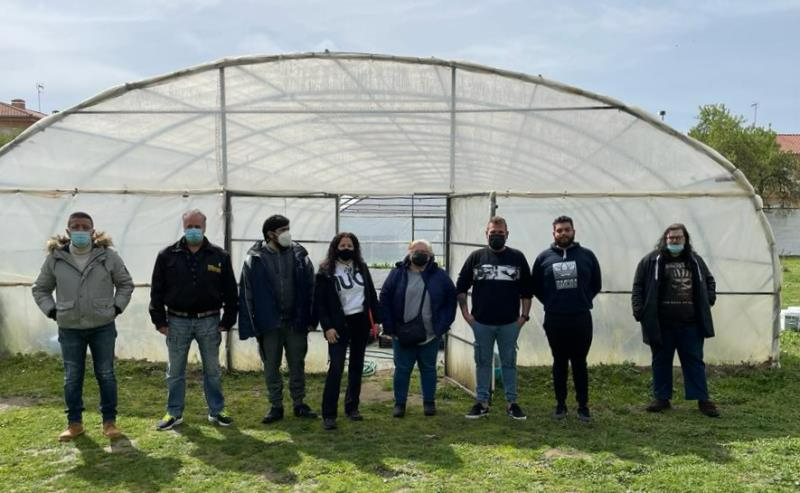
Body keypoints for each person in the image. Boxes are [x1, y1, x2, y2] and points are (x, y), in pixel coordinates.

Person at [32, 212, 134, 441]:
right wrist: (52, 310)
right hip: (70, 328)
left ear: (92, 230)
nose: (80, 230)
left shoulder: (108, 257)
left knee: (106, 374)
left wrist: (115, 308)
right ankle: (74, 424)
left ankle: (109, 423)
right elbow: (40, 288)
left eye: (85, 226)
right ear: (68, 231)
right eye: (75, 227)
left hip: (103, 326)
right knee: (72, 376)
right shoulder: (56, 259)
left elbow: (125, 284)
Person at [150, 209, 238, 430]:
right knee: (175, 371)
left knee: (213, 370)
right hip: (177, 321)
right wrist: (159, 320)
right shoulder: (167, 255)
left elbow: (230, 291)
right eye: (189, 226)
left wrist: (227, 320)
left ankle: (217, 411)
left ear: (205, 227)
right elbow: (157, 291)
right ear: (183, 226)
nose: (193, 230)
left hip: (209, 321)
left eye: (197, 226)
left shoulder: (220, 256)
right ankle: (174, 412)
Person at [631, 223, 720, 417]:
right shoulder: (651, 261)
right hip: (661, 325)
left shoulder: (695, 261)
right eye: (671, 238)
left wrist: (708, 299)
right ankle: (661, 398)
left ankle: (702, 399)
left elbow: (710, 280)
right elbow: (638, 286)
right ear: (665, 239)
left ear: (686, 240)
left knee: (694, 361)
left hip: (690, 324)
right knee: (661, 361)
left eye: (679, 238)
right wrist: (639, 311)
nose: (674, 241)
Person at [238, 214, 317, 424]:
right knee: (271, 365)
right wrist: (251, 325)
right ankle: (276, 406)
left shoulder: (300, 256)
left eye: (288, 229)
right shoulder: (254, 259)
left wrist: (311, 318)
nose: (287, 234)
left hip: (295, 322)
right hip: (268, 324)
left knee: (297, 364)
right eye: (283, 230)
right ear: (270, 234)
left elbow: (312, 288)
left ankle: (299, 403)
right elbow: (246, 294)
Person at [456, 216, 533, 420]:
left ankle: (512, 403)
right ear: (486, 234)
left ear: (507, 234)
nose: (497, 236)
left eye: (500, 233)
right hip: (481, 323)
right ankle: (482, 402)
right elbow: (461, 287)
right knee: (482, 362)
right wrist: (467, 315)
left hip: (510, 323)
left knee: (509, 363)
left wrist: (523, 317)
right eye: (493, 233)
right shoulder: (476, 257)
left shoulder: (517, 257)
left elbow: (527, 290)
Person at [531, 215, 602, 422]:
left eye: (567, 230)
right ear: (553, 233)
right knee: (559, 362)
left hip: (580, 318)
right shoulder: (544, 258)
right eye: (559, 230)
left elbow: (595, 284)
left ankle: (583, 406)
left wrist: (581, 300)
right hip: (555, 319)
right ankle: (560, 404)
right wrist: (552, 303)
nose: (563, 233)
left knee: (580, 362)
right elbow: (536, 287)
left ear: (573, 231)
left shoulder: (587, 256)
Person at [380, 240, 456, 418]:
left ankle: (429, 402)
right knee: (402, 369)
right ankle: (400, 404)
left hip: (430, 334)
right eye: (416, 250)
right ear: (409, 252)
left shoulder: (440, 275)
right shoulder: (398, 273)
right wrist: (389, 326)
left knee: (428, 368)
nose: (420, 254)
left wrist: (443, 325)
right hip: (402, 333)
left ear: (430, 255)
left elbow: (450, 299)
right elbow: (385, 297)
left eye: (425, 251)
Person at [314, 232, 381, 430]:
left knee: (356, 366)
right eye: (342, 245)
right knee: (336, 367)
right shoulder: (325, 271)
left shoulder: (362, 267)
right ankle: (329, 414)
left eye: (350, 245)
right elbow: (320, 303)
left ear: (355, 248)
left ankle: (352, 408)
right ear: (335, 247)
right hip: (338, 325)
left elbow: (371, 294)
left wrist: (376, 321)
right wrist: (327, 327)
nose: (346, 248)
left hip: (360, 323)